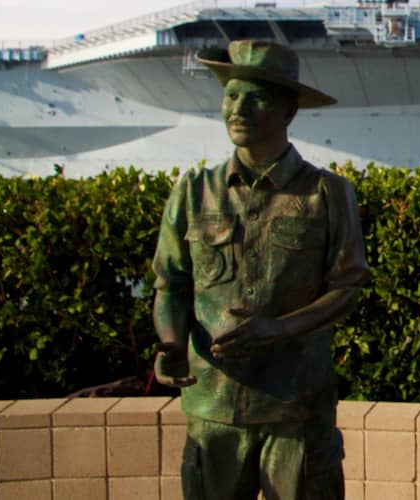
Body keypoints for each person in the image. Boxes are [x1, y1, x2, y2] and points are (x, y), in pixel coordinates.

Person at [151, 40, 370, 500]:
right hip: (212, 406)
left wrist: (279, 328)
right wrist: (170, 342)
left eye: (256, 98)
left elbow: (347, 286)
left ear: (288, 111)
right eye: (231, 95)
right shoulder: (193, 191)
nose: (238, 108)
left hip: (297, 409)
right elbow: (170, 284)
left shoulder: (328, 193)